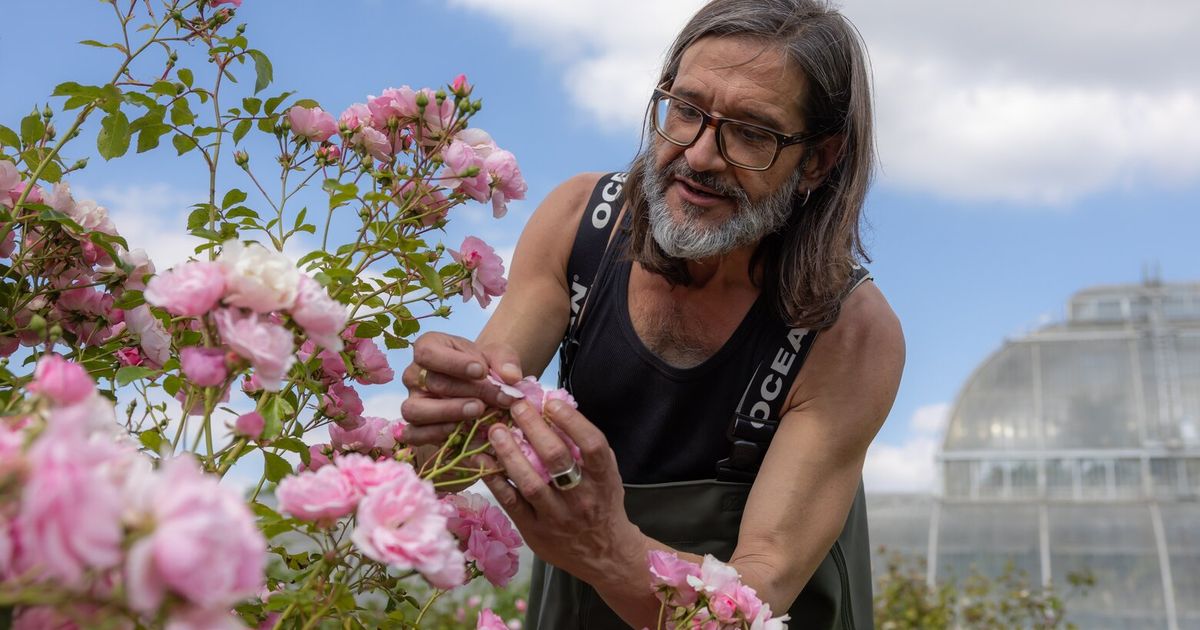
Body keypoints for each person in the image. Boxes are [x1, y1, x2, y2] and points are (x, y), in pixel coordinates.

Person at [400, 0, 904, 627]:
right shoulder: (581, 226)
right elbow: (454, 448)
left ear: (819, 161)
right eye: (687, 110)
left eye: (751, 132)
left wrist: (607, 546)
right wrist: (445, 413)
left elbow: (756, 591)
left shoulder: (847, 333)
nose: (698, 156)